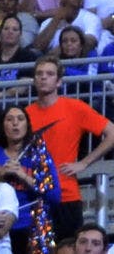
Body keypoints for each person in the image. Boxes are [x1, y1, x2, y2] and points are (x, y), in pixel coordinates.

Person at [25, 55, 114, 240]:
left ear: (58, 82)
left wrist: (84, 163)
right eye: (39, 74)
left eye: (49, 74)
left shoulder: (75, 108)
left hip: (67, 194)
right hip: (35, 195)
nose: (43, 77)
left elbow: (111, 133)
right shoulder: (25, 114)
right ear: (34, 80)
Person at [0, 105, 61, 253]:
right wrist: (0, 174)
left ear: (27, 125)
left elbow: (54, 195)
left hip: (32, 226)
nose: (15, 123)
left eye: (20, 119)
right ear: (3, 126)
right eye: (9, 119)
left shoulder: (39, 155)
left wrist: (23, 176)